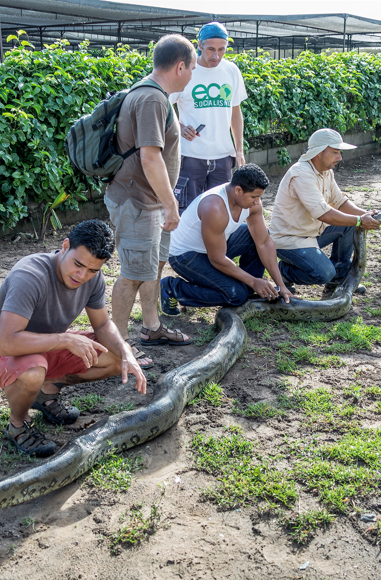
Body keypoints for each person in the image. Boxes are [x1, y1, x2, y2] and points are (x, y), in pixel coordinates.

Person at [0, 220, 147, 457]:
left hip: (45, 349)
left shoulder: (92, 278)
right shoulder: (30, 275)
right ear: (65, 246)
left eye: (92, 270)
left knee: (115, 357)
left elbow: (102, 324)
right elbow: (7, 343)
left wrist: (127, 352)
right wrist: (66, 340)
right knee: (32, 371)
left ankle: (45, 393)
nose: (82, 275)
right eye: (78, 265)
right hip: (1, 353)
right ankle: (18, 425)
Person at [105, 33, 197, 366]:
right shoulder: (151, 99)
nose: (192, 75)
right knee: (132, 272)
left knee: (152, 266)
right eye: (192, 67)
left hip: (151, 201)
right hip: (138, 202)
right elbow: (150, 157)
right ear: (180, 65)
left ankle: (152, 327)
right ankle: (117, 349)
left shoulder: (156, 95)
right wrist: (171, 204)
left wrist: (165, 203)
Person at [160, 164, 292, 312]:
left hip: (216, 246)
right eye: (254, 197)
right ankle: (172, 288)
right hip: (186, 255)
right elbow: (217, 259)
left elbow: (264, 243)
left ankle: (248, 289)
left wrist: (281, 286)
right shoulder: (214, 207)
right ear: (238, 190)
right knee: (235, 295)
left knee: (255, 236)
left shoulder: (251, 203)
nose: (257, 202)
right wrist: (254, 281)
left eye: (259, 197)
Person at [269, 129, 381, 295]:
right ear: (318, 153)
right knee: (323, 273)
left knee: (350, 223)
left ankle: (339, 277)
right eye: (335, 152)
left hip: (312, 232)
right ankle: (284, 271)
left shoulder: (326, 172)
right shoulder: (301, 174)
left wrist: (367, 215)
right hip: (290, 239)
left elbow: (339, 202)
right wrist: (359, 220)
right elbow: (323, 214)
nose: (340, 157)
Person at [168, 21, 248, 213]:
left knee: (221, 213)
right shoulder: (186, 70)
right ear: (200, 45)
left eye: (222, 49)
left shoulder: (231, 71)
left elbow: (235, 112)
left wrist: (239, 149)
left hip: (223, 158)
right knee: (186, 213)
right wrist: (179, 125)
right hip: (190, 157)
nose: (216, 55)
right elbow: (164, 104)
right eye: (211, 49)